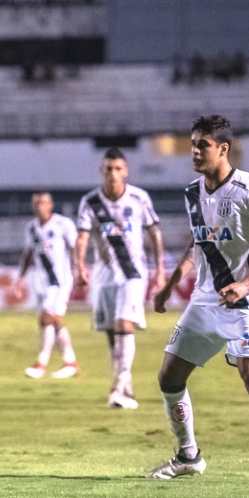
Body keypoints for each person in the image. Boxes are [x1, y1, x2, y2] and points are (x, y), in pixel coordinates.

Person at [151, 115, 249, 486]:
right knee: (169, 377)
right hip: (204, 300)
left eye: (202, 145)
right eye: (192, 144)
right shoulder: (192, 192)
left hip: (245, 301)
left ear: (223, 148)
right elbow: (198, 244)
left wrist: (247, 284)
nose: (195, 151)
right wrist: (171, 283)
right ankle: (188, 455)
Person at [75, 148, 166, 410]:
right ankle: (125, 386)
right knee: (112, 333)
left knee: (124, 324)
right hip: (104, 274)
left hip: (132, 272)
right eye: (108, 169)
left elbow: (154, 234)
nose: (113, 174)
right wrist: (79, 267)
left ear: (125, 171)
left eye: (118, 169)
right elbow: (81, 237)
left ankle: (118, 386)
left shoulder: (138, 198)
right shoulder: (90, 201)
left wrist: (160, 269)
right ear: (101, 171)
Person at [16, 192, 80, 379]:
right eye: (36, 203)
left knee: (46, 318)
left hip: (60, 281)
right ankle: (70, 362)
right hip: (41, 282)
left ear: (50, 205)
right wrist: (20, 279)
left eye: (43, 202)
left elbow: (75, 247)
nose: (39, 206)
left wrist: (80, 269)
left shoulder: (63, 224)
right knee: (54, 321)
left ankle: (41, 364)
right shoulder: (31, 228)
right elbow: (28, 254)